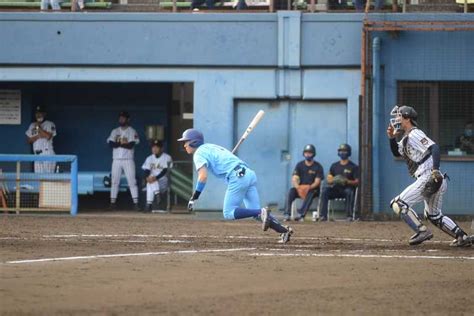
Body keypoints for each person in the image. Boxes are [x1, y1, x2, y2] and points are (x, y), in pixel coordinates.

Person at [177, 128, 294, 243]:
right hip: (248, 174)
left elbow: (202, 177)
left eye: (186, 142)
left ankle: (261, 211)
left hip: (238, 176)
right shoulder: (211, 147)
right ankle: (284, 230)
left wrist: (195, 197)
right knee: (259, 215)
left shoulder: (198, 153)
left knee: (229, 213)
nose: (184, 145)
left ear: (194, 142)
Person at [387, 105, 472, 247]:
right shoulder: (405, 138)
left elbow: (434, 147)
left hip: (429, 176)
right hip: (432, 178)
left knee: (398, 204)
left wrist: (435, 170)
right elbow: (396, 152)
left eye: (399, 116)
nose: (396, 119)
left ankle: (421, 231)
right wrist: (391, 138)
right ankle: (462, 237)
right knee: (434, 215)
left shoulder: (414, 134)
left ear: (407, 118)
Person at [107, 111, 140, 211]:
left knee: (132, 182)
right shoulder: (115, 131)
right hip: (116, 160)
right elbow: (110, 144)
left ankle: (136, 204)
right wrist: (123, 144)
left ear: (128, 119)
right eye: (120, 117)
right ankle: (112, 203)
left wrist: (118, 144)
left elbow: (131, 145)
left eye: (123, 118)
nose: (121, 119)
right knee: (114, 182)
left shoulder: (132, 131)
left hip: (128, 160)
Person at [283, 144, 324, 222]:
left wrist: (307, 188)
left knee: (311, 192)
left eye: (310, 153)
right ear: (303, 153)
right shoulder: (299, 165)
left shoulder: (318, 166)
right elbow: (294, 178)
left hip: (312, 189)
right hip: (300, 188)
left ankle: (301, 215)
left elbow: (317, 182)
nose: (308, 154)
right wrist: (298, 187)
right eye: (306, 152)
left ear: (313, 154)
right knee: (291, 191)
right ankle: (287, 214)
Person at [319, 144, 359, 222]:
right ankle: (323, 216)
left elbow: (357, 182)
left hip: (347, 188)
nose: (342, 153)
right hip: (336, 188)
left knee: (349, 192)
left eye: (344, 151)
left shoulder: (353, 167)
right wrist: (333, 180)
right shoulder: (334, 166)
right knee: (325, 191)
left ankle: (349, 216)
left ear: (348, 153)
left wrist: (346, 181)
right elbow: (329, 180)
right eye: (341, 151)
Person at [141, 140, 173, 213]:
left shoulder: (167, 157)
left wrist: (155, 178)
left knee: (151, 181)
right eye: (153, 147)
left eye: (157, 147)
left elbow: (165, 171)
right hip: (153, 182)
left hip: (163, 181)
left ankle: (149, 205)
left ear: (161, 148)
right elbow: (146, 171)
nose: (154, 149)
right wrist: (147, 178)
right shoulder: (149, 158)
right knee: (150, 181)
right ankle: (156, 195)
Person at [25, 106, 57, 173]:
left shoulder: (50, 124)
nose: (38, 115)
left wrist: (38, 128)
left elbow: (48, 136)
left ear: (44, 114)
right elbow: (28, 140)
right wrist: (38, 136)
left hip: (47, 152)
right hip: (36, 154)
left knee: (48, 179)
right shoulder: (32, 125)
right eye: (37, 113)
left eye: (40, 113)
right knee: (39, 178)